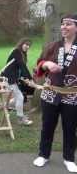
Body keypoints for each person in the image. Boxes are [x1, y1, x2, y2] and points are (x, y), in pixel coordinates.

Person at [33, 14, 77, 173]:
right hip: (50, 94)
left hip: (72, 96)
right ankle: (43, 155)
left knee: (70, 128)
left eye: (69, 24)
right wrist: (47, 64)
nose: (64, 27)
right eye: (63, 24)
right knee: (47, 126)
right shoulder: (52, 46)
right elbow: (38, 64)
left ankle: (69, 158)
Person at [1, 38, 33, 125]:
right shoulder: (16, 52)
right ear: (21, 43)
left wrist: (25, 78)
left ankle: (5, 106)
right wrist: (30, 79)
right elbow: (22, 66)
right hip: (8, 78)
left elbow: (20, 68)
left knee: (18, 97)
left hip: (13, 78)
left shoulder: (22, 54)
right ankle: (20, 118)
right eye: (26, 44)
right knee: (20, 97)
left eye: (29, 45)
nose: (27, 46)